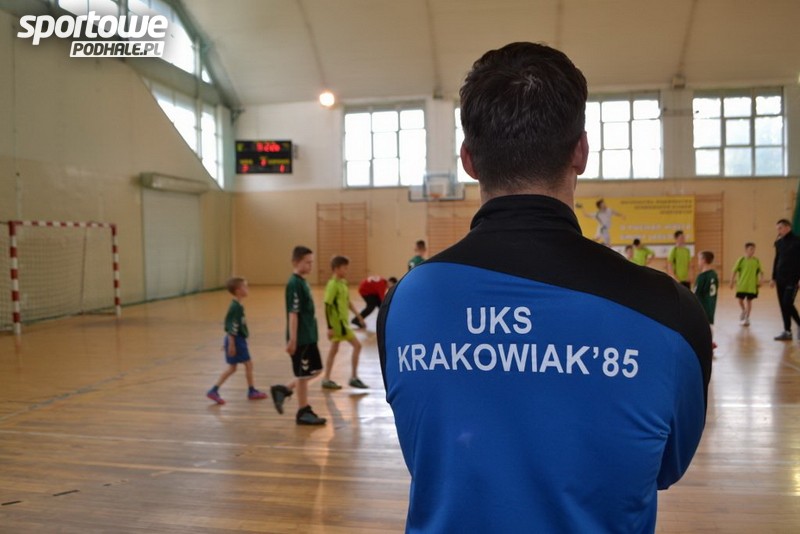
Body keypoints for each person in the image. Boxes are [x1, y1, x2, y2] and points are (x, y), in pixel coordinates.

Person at [377, 42, 711, 533]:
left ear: (468, 160)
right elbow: (666, 466)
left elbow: (428, 452)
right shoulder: (671, 313)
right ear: (581, 151)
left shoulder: (404, 303)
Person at [271, 246, 326, 425]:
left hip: (310, 336)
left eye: (312, 262)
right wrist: (293, 340)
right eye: (307, 262)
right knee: (303, 375)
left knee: (316, 370)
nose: (311, 266)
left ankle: (284, 389)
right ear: (296, 262)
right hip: (301, 338)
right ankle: (303, 411)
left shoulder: (303, 282)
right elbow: (293, 313)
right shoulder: (294, 284)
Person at [206, 277, 268, 405]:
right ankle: (251, 391)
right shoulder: (235, 307)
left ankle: (214, 390)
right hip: (237, 340)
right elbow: (232, 325)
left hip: (235, 339)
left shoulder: (238, 305)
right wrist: (231, 344)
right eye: (245, 287)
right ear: (238, 290)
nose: (248, 289)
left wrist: (228, 342)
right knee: (248, 364)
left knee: (233, 368)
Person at [321, 255, 368, 389]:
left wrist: (359, 316)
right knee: (357, 346)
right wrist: (329, 327)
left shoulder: (343, 283)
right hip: (338, 325)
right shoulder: (332, 285)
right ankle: (353, 377)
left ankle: (326, 379)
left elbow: (347, 302)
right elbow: (327, 305)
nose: (347, 270)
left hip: (344, 323)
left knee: (334, 350)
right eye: (344, 268)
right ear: (336, 269)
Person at [771, 219, 800, 341]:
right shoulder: (779, 243)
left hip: (793, 279)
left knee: (787, 303)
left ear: (788, 227)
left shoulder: (797, 241)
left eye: (780, 228)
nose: (778, 231)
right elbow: (777, 259)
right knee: (783, 306)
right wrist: (773, 277)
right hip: (780, 279)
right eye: (777, 229)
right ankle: (787, 331)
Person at [730, 242, 763, 327]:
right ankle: (744, 310)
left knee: (749, 301)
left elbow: (761, 272)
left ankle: (747, 318)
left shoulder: (756, 261)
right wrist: (731, 281)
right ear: (746, 250)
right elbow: (734, 271)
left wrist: (761, 281)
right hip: (742, 285)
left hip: (752, 286)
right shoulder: (741, 260)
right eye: (751, 249)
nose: (753, 251)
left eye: (754, 249)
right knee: (740, 300)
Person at [694, 250, 719, 336]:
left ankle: (705, 342)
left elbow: (696, 294)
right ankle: (710, 341)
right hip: (711, 304)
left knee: (701, 326)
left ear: (703, 260)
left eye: (699, 259)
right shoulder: (714, 274)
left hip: (702, 305)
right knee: (708, 325)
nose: (698, 262)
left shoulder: (702, 277)